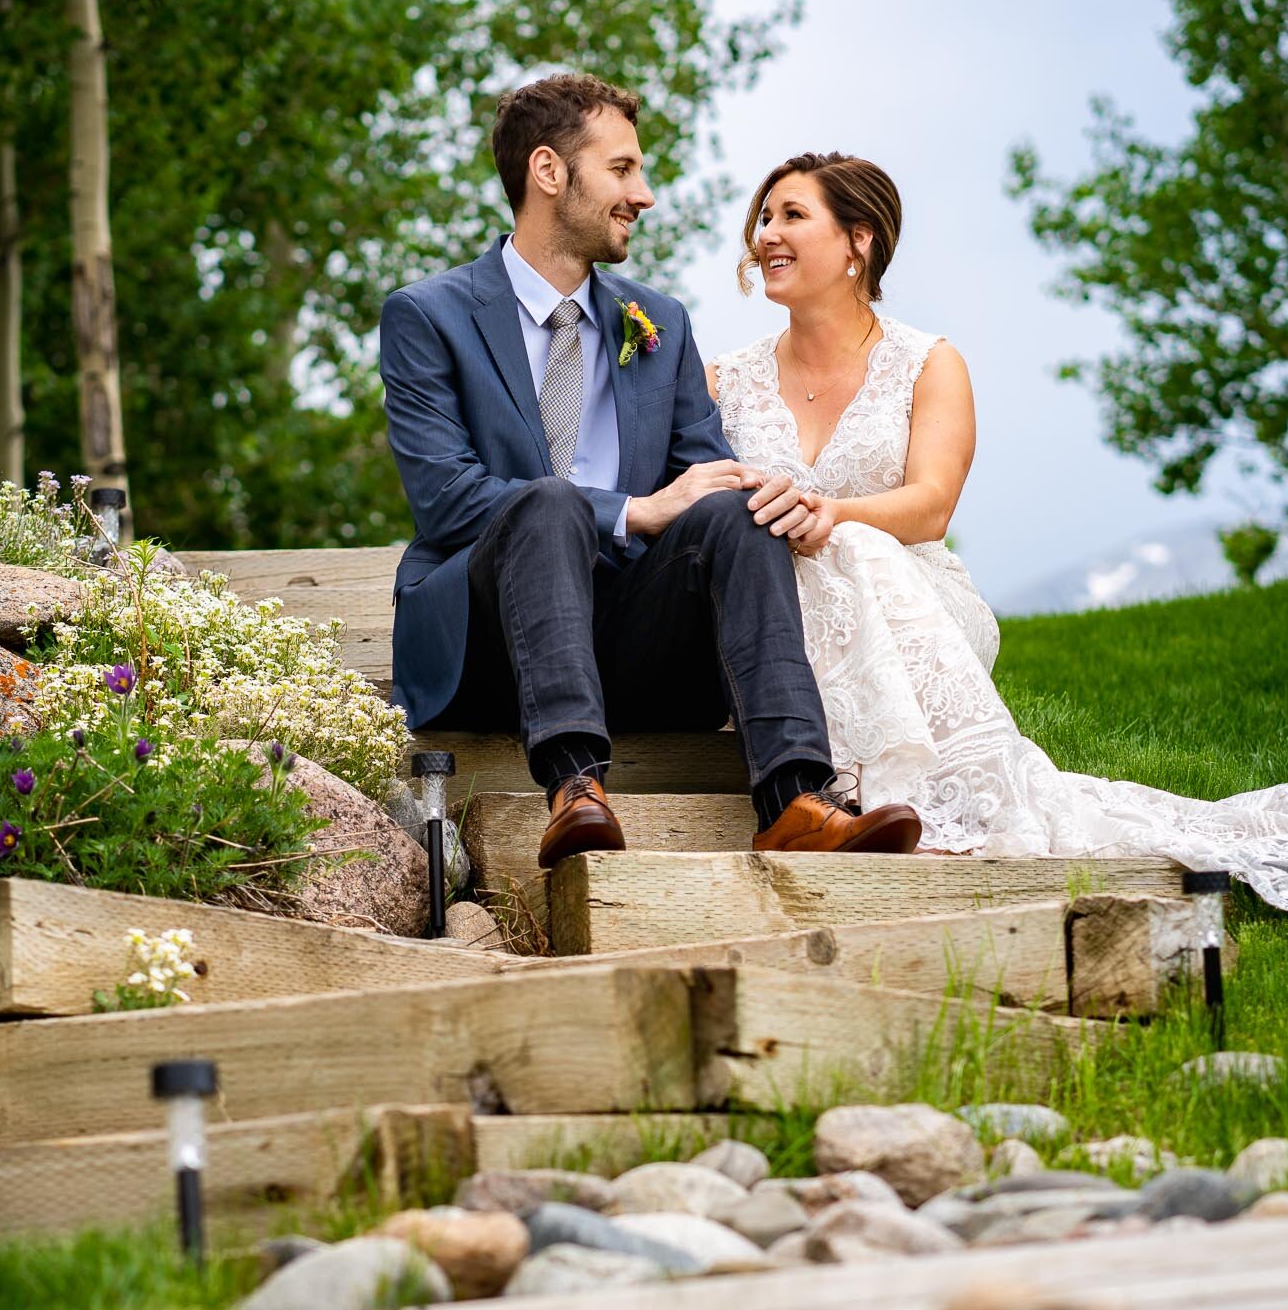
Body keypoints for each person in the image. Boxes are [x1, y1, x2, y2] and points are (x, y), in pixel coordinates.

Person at [708, 151, 1288, 910]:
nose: (766, 235)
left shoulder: (929, 362)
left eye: (789, 216)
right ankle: (832, 793)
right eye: (765, 219)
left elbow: (930, 505)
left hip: (908, 598)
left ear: (859, 241)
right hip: (775, 610)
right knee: (783, 552)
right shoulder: (727, 376)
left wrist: (833, 514)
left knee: (849, 543)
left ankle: (904, 790)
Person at [378, 78, 922, 868]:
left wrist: (757, 494)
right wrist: (631, 510)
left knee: (738, 509)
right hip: (491, 649)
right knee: (549, 503)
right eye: (624, 169)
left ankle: (796, 798)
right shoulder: (429, 316)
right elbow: (447, 500)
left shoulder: (657, 320)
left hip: (635, 644)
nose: (646, 194)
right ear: (549, 171)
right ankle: (574, 787)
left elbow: (699, 482)